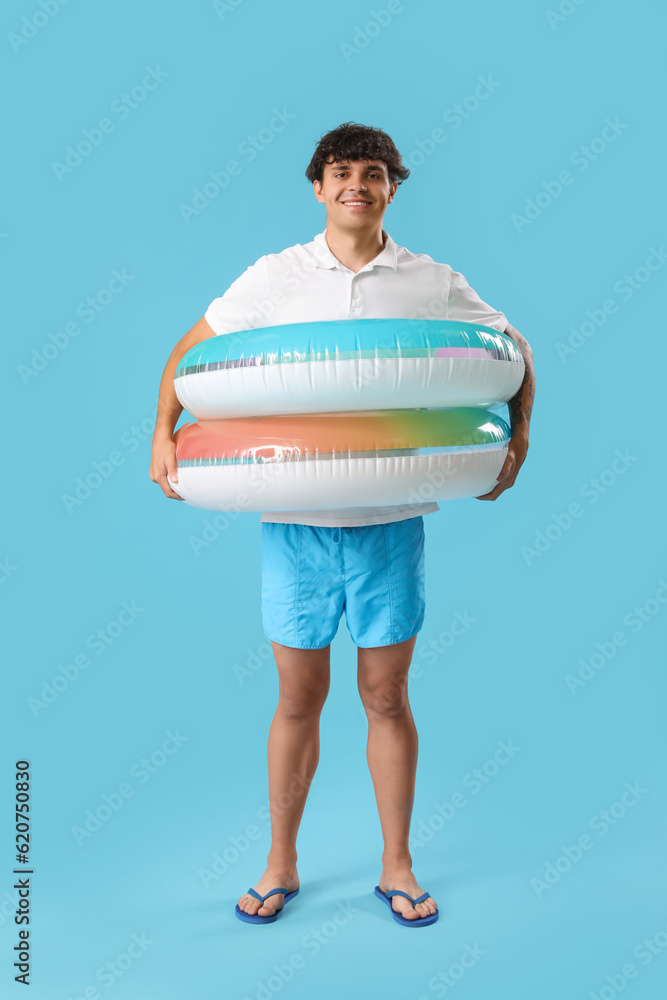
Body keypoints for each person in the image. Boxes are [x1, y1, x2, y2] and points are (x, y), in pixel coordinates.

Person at [149, 122, 535, 926]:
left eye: (372, 172)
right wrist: (161, 433)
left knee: (385, 696)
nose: (355, 183)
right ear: (317, 187)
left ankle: (396, 865)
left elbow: (510, 349)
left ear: (392, 186)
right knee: (298, 700)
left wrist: (517, 434)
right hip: (296, 523)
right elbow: (190, 356)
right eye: (339, 172)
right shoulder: (277, 276)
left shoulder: (427, 279)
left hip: (390, 523)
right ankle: (279, 861)